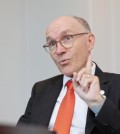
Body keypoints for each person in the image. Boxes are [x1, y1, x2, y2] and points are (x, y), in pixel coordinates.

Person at [17, 16, 120, 134]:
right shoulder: (40, 89)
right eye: (52, 43)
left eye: (67, 38)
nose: (59, 50)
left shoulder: (117, 85)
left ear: (89, 41)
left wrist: (98, 103)